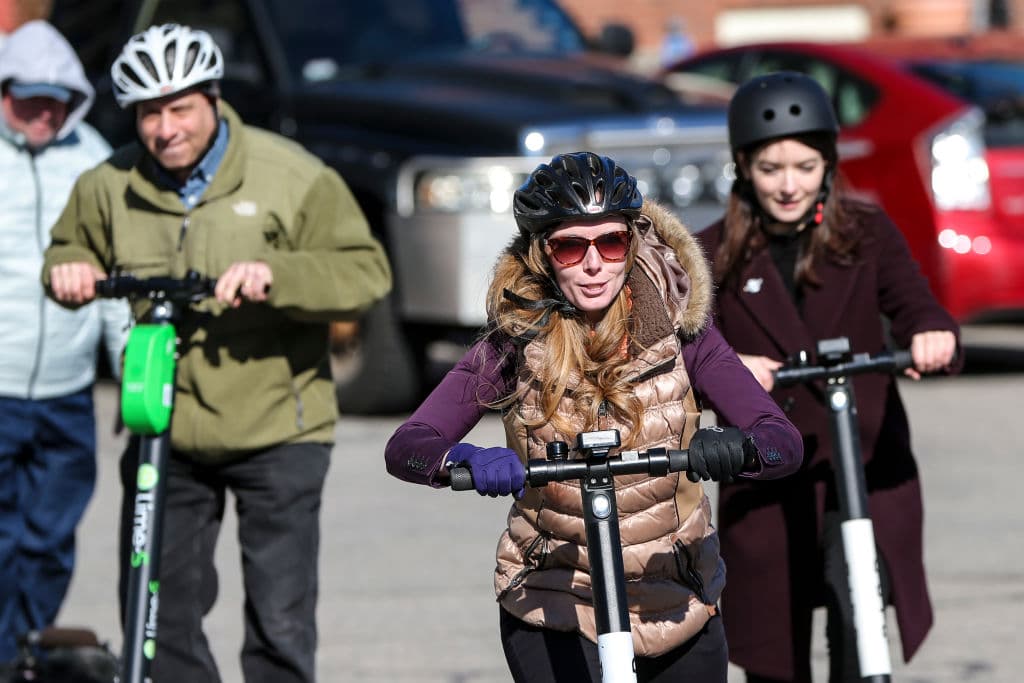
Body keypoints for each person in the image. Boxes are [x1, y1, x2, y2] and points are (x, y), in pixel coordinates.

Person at [41, 23, 392, 683]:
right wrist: (70, 269)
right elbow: (67, 249)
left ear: (212, 97)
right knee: (156, 616)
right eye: (149, 113)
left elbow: (366, 273)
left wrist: (277, 276)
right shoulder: (107, 185)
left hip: (278, 427)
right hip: (165, 430)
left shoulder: (292, 175)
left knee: (279, 620)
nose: (165, 128)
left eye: (179, 108)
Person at [385, 151, 804, 682]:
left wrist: (734, 450)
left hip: (675, 601)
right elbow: (409, 445)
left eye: (610, 243)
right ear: (542, 252)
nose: (593, 264)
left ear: (631, 242)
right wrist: (461, 458)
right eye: (569, 246)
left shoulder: (683, 334)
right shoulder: (514, 343)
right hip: (554, 602)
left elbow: (782, 443)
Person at [695, 71, 962, 683]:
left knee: (858, 610)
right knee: (772, 650)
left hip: (861, 467)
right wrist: (727, 373)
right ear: (742, 166)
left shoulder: (865, 233)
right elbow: (687, 350)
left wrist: (931, 333)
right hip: (766, 475)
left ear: (829, 164)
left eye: (805, 166)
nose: (789, 185)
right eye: (770, 168)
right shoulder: (712, 253)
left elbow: (915, 303)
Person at [0, 19, 130, 663]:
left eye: (58, 99)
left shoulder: (91, 158)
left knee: (49, 537)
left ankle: (24, 651)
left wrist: (130, 364)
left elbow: (116, 272)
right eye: (28, 97)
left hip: (67, 390)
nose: (44, 112)